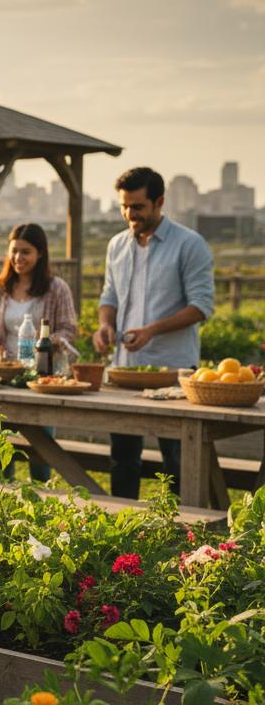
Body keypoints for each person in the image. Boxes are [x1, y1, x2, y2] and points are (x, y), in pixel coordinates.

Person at [93, 167, 215, 499]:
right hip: (124, 370)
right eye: (124, 206)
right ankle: (121, 530)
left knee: (177, 460)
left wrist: (152, 330)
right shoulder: (116, 245)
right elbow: (109, 298)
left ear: (159, 202)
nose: (130, 214)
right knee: (122, 458)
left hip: (173, 372)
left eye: (138, 207)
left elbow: (202, 305)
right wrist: (106, 325)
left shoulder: (190, 244)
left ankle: (185, 539)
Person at [0, 223, 78, 482]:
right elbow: (0, 335)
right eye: (14, 251)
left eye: (26, 252)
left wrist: (45, 341)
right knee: (1, 446)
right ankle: (0, 502)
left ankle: (40, 501)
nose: (18, 258)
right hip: (6, 376)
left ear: (40, 253)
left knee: (41, 448)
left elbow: (68, 330)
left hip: (41, 378)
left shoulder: (56, 288)